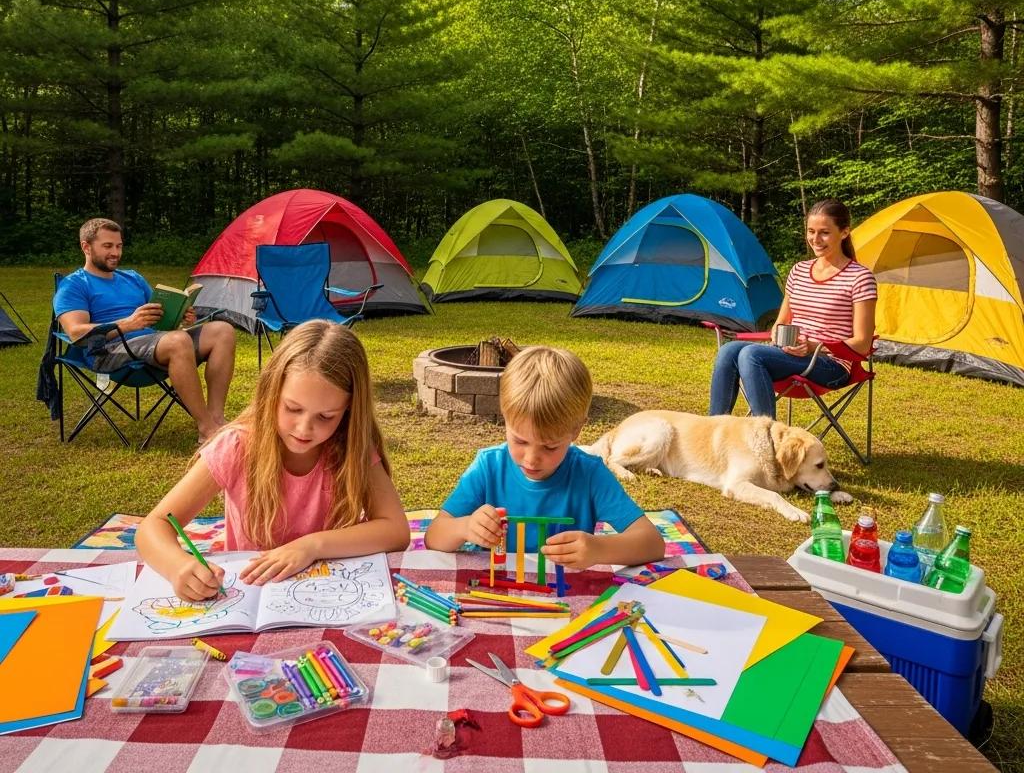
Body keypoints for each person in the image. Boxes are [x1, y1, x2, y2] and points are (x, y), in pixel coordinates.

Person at [136, 320, 410, 601]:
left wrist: (312, 546)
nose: (304, 429)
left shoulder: (350, 448)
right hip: (248, 595)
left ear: (349, 411)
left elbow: (396, 529)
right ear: (271, 393)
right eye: (293, 408)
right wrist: (178, 566)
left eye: (326, 416)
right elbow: (154, 526)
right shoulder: (237, 445)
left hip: (327, 592)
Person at [424, 345, 664, 570]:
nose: (531, 459)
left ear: (576, 431)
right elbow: (434, 537)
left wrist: (599, 549)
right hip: (494, 589)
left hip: (565, 599)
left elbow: (652, 543)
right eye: (519, 441)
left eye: (550, 447)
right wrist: (465, 527)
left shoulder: (589, 474)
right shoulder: (488, 467)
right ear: (505, 418)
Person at [53, 217, 236, 441]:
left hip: (153, 343)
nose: (115, 253)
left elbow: (157, 319)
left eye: (119, 246)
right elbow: (76, 332)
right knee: (178, 342)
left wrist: (180, 316)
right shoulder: (74, 285)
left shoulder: (132, 277)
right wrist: (128, 323)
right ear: (86, 247)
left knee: (223, 331)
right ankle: (207, 429)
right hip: (110, 350)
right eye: (107, 246)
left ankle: (216, 417)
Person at [709, 198, 877, 418]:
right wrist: (783, 342)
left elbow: (862, 344)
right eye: (811, 231)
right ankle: (713, 432)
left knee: (751, 354)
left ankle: (767, 439)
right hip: (790, 355)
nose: (815, 240)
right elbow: (781, 323)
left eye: (824, 232)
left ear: (844, 232)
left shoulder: (860, 278)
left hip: (832, 364)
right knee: (728, 350)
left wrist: (812, 346)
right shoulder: (799, 271)